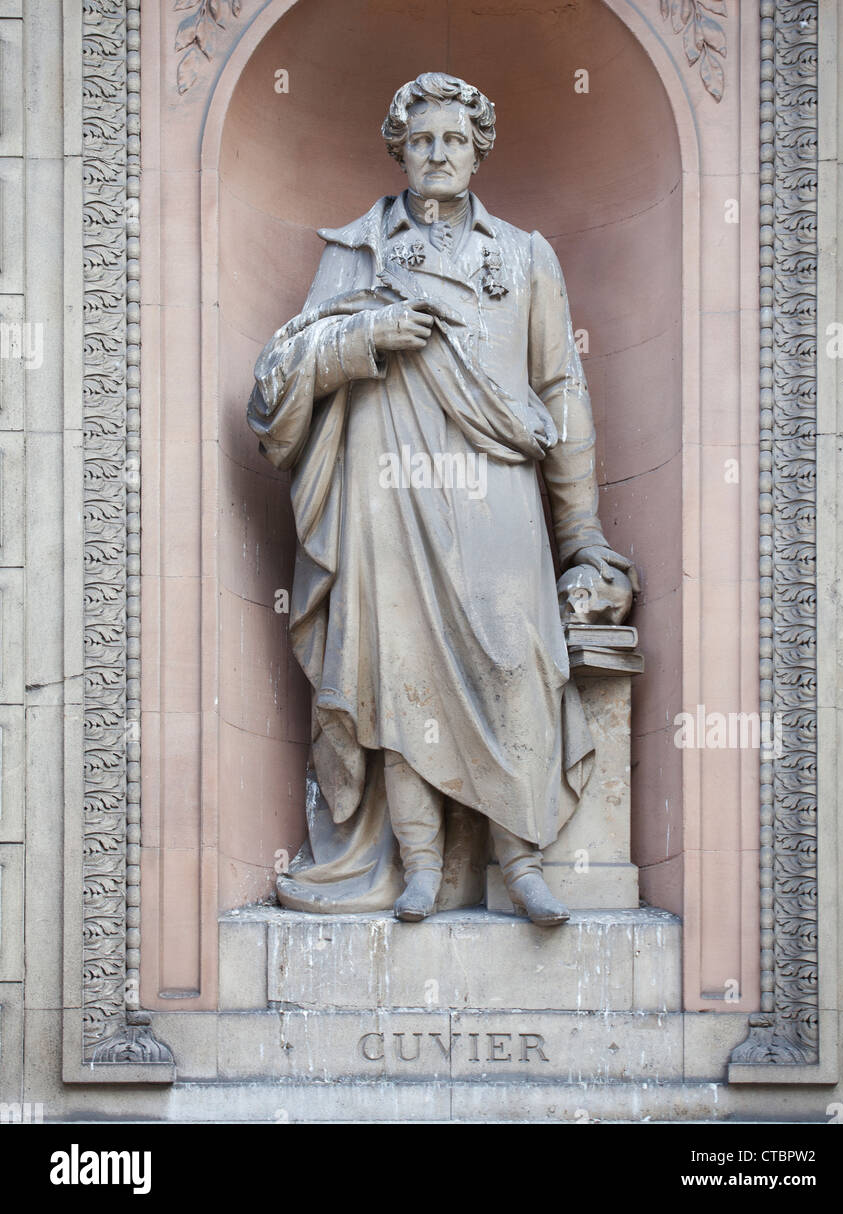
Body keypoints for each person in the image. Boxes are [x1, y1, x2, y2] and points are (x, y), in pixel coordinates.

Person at [248, 72, 638, 926]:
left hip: (495, 488)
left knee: (516, 661)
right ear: (399, 147)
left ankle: (520, 859)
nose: (437, 153)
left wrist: (583, 536)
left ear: (477, 150)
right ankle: (419, 863)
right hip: (387, 493)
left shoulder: (527, 255)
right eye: (421, 139)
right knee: (396, 669)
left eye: (453, 140)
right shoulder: (358, 250)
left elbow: (560, 394)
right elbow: (275, 384)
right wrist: (362, 337)